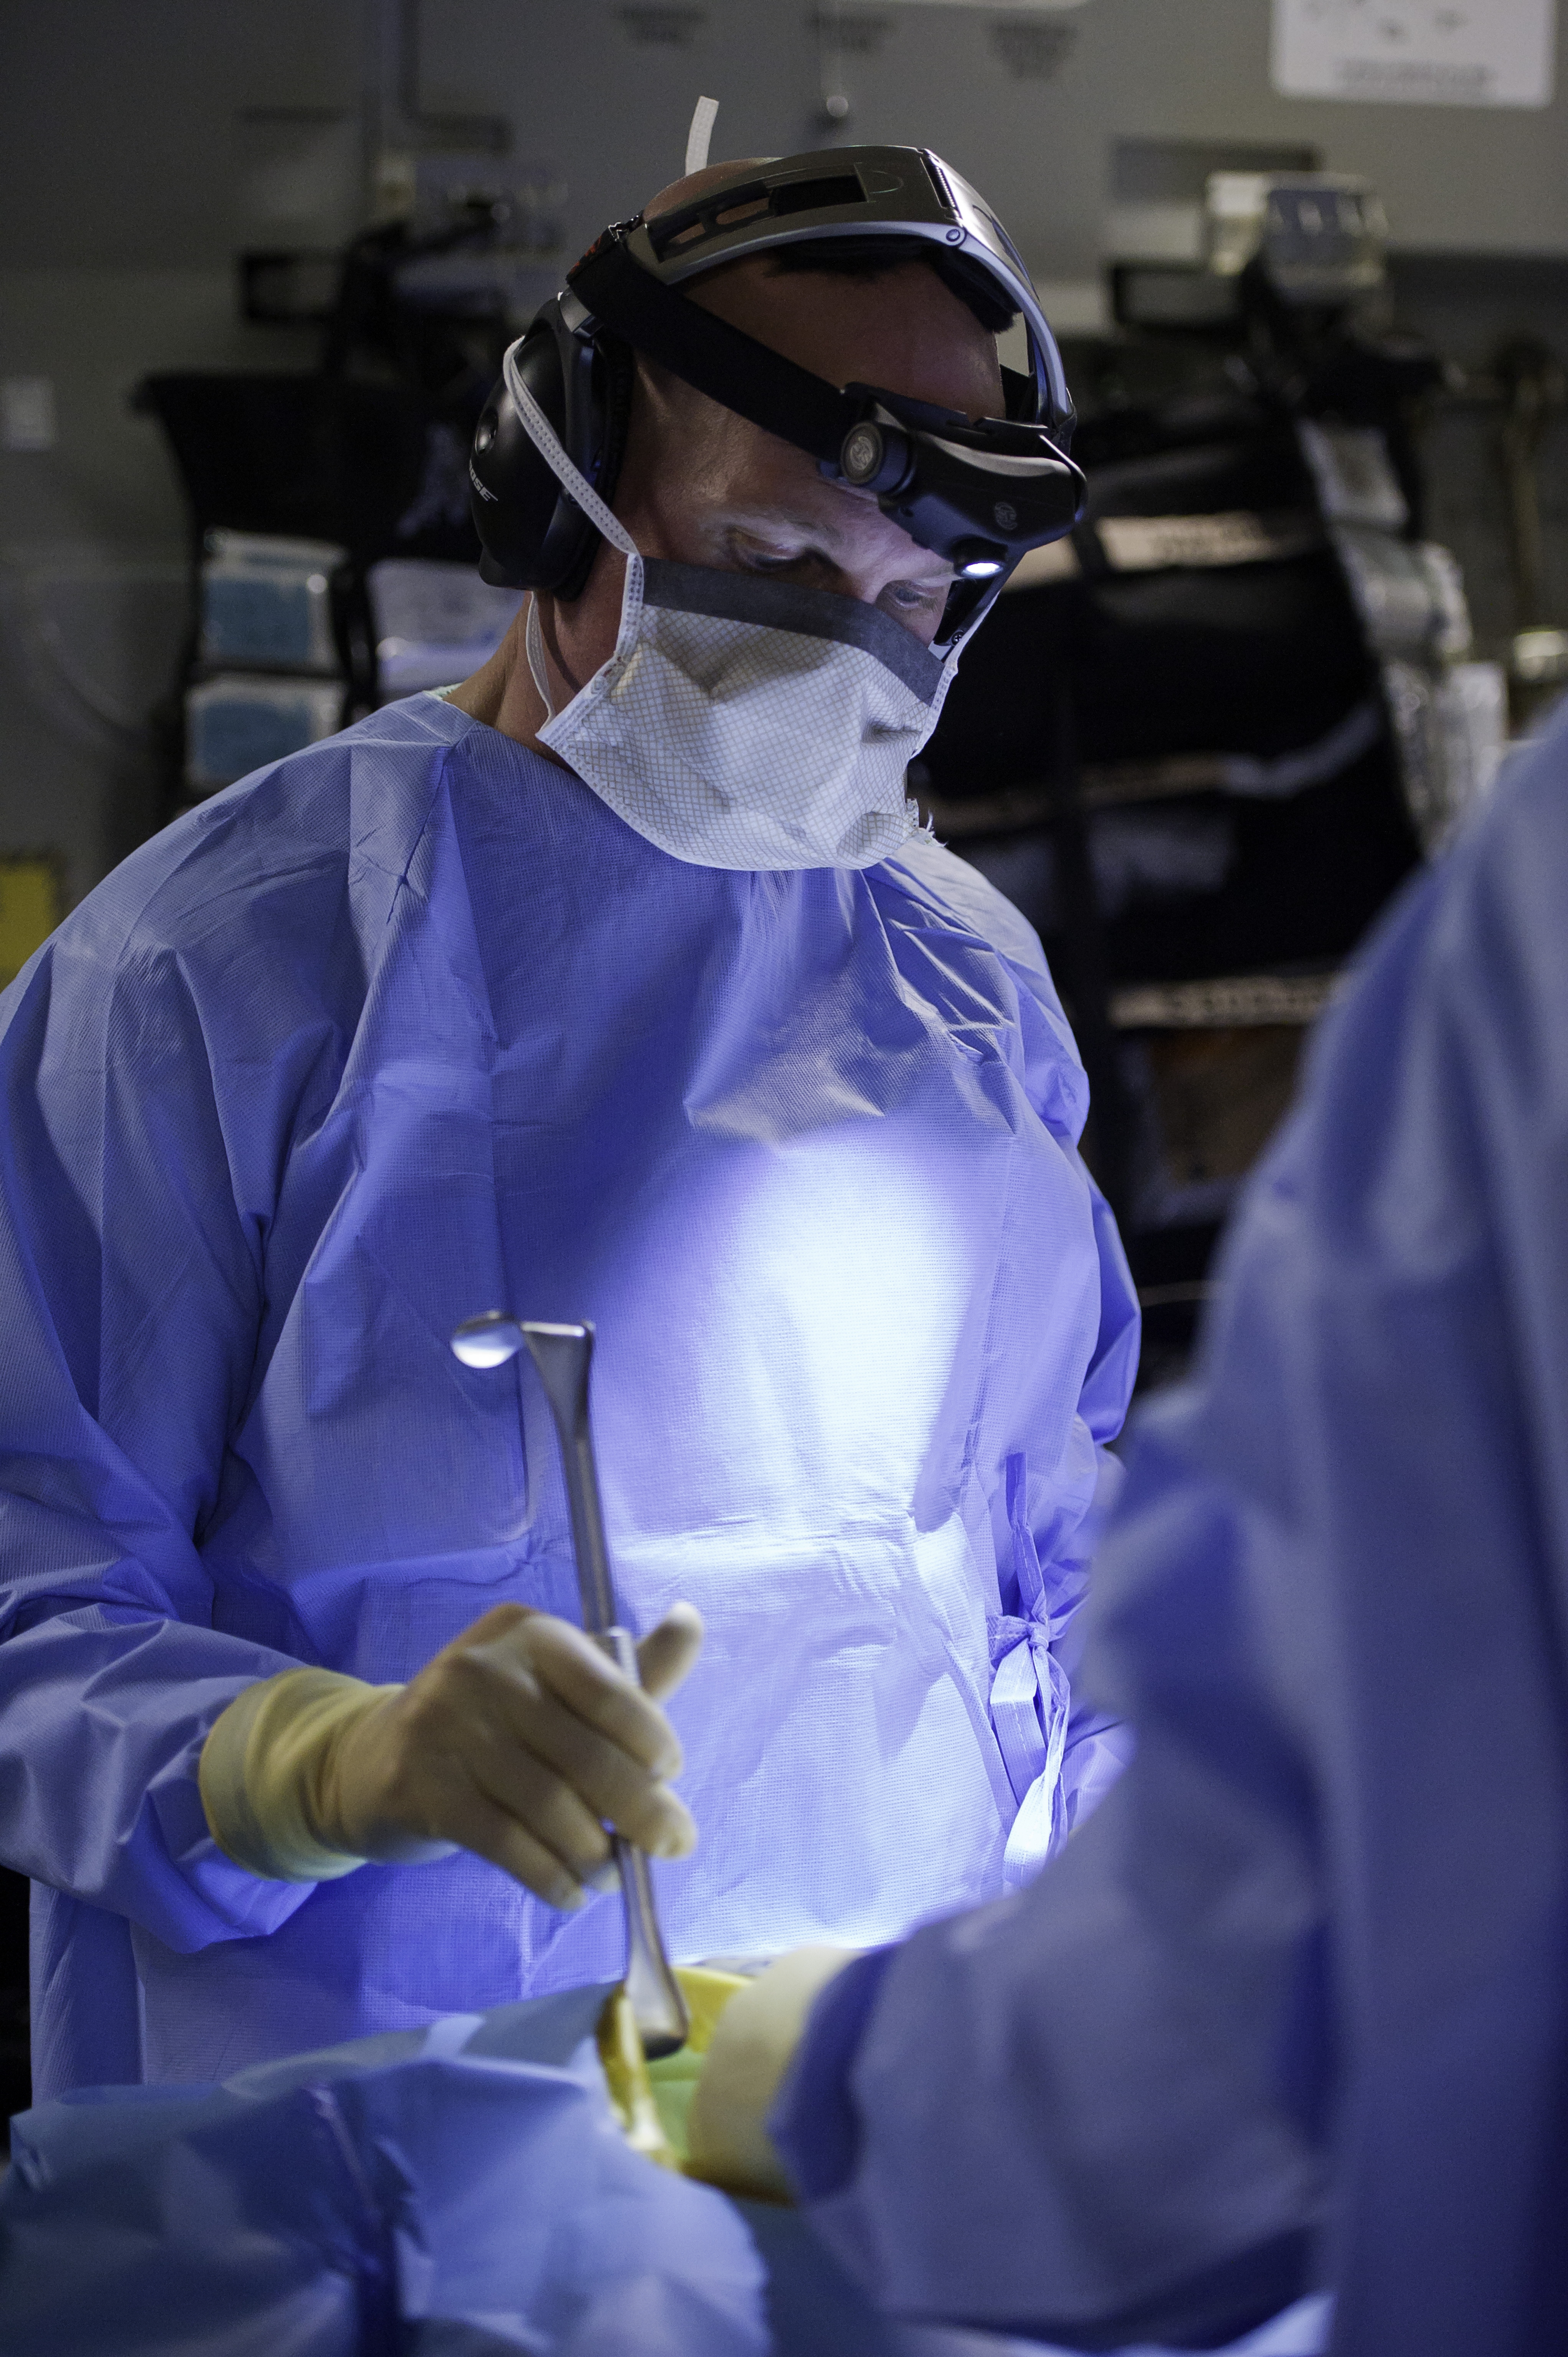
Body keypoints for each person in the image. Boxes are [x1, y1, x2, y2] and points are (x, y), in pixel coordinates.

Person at [0, 144, 1138, 2101]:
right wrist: (312, 1765)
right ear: (554, 496)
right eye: (777, 567)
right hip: (364, 2154)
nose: (844, 657)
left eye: (911, 605)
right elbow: (31, 1587)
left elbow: (1053, 1570)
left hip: (854, 2124)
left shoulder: (963, 986)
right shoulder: (221, 968)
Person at [684, 699, 1568, 2357]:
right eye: (780, 553)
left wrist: (826, 2084)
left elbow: (1286, 1957)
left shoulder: (1527, 940)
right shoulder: (207, 969)